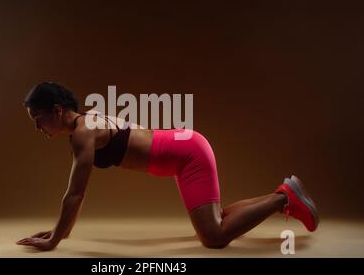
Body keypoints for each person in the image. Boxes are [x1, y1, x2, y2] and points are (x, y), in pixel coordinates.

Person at [16, 82, 318, 251]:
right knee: (217, 218)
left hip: (187, 154)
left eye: (38, 119)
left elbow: (75, 194)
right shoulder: (88, 123)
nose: (37, 127)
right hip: (185, 149)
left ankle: (284, 197)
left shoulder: (83, 133)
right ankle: (284, 198)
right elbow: (75, 196)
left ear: (57, 111)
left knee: (214, 237)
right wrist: (60, 232)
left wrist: (56, 238)